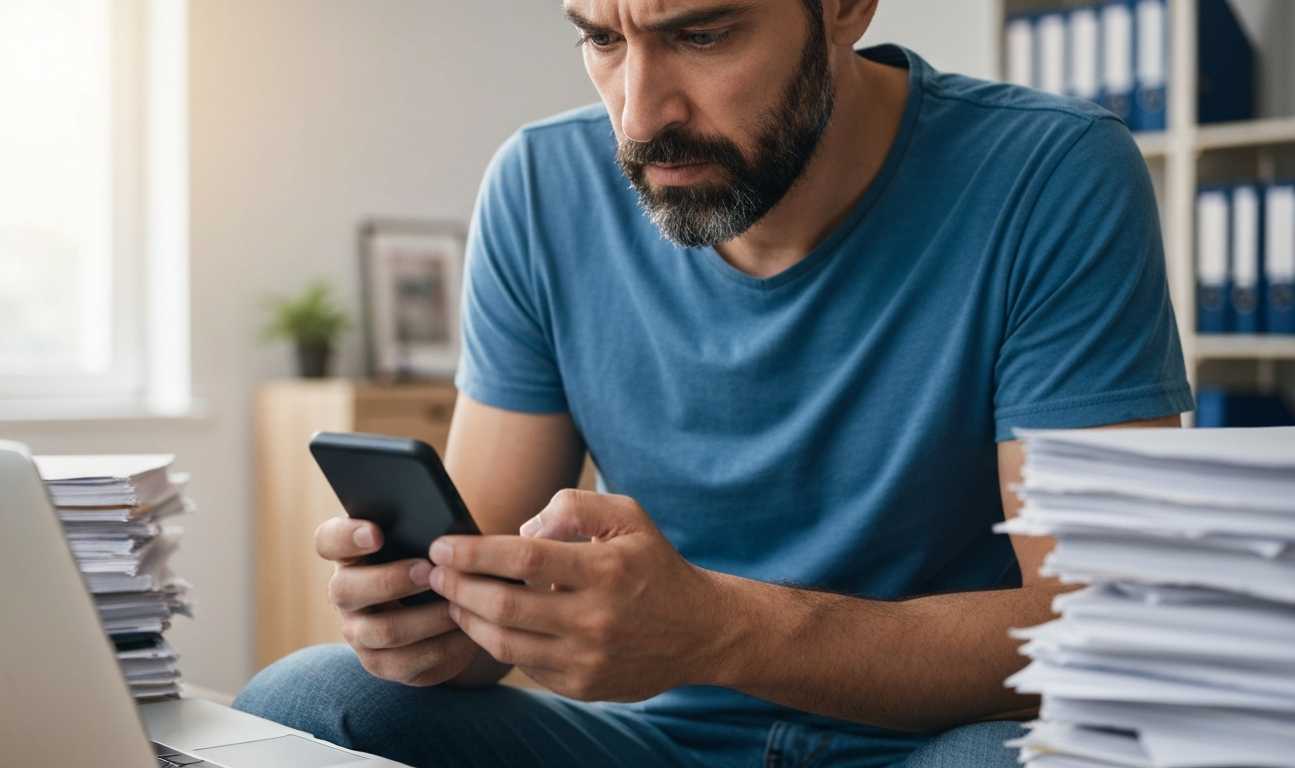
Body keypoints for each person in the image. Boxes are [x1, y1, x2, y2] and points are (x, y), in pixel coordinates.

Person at [235, 0, 1193, 765]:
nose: (641, 115)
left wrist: (721, 631)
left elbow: (1101, 626)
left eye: (702, 34)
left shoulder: (1049, 174)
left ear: (845, 8)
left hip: (942, 740)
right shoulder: (538, 186)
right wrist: (435, 618)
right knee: (308, 702)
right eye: (603, 40)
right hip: (660, 739)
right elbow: (476, 599)